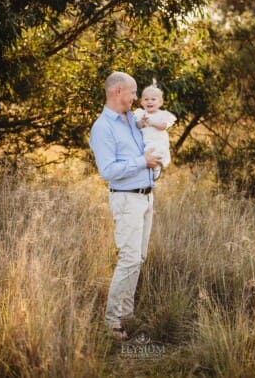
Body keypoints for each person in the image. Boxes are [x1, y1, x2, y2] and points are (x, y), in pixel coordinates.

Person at [89, 71, 161, 340]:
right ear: (118, 91)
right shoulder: (102, 127)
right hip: (126, 198)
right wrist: (143, 163)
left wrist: (155, 168)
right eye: (132, 93)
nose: (135, 98)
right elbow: (108, 171)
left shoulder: (132, 120)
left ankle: (126, 313)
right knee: (129, 258)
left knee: (139, 257)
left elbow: (147, 148)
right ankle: (112, 321)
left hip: (146, 196)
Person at [134, 84, 176, 180]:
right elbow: (137, 126)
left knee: (156, 153)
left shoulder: (162, 114)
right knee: (144, 154)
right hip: (145, 139)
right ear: (141, 102)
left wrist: (152, 123)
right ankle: (144, 172)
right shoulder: (140, 113)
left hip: (157, 139)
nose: (149, 102)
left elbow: (163, 126)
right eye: (146, 99)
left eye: (153, 99)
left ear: (160, 102)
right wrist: (142, 122)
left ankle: (156, 167)